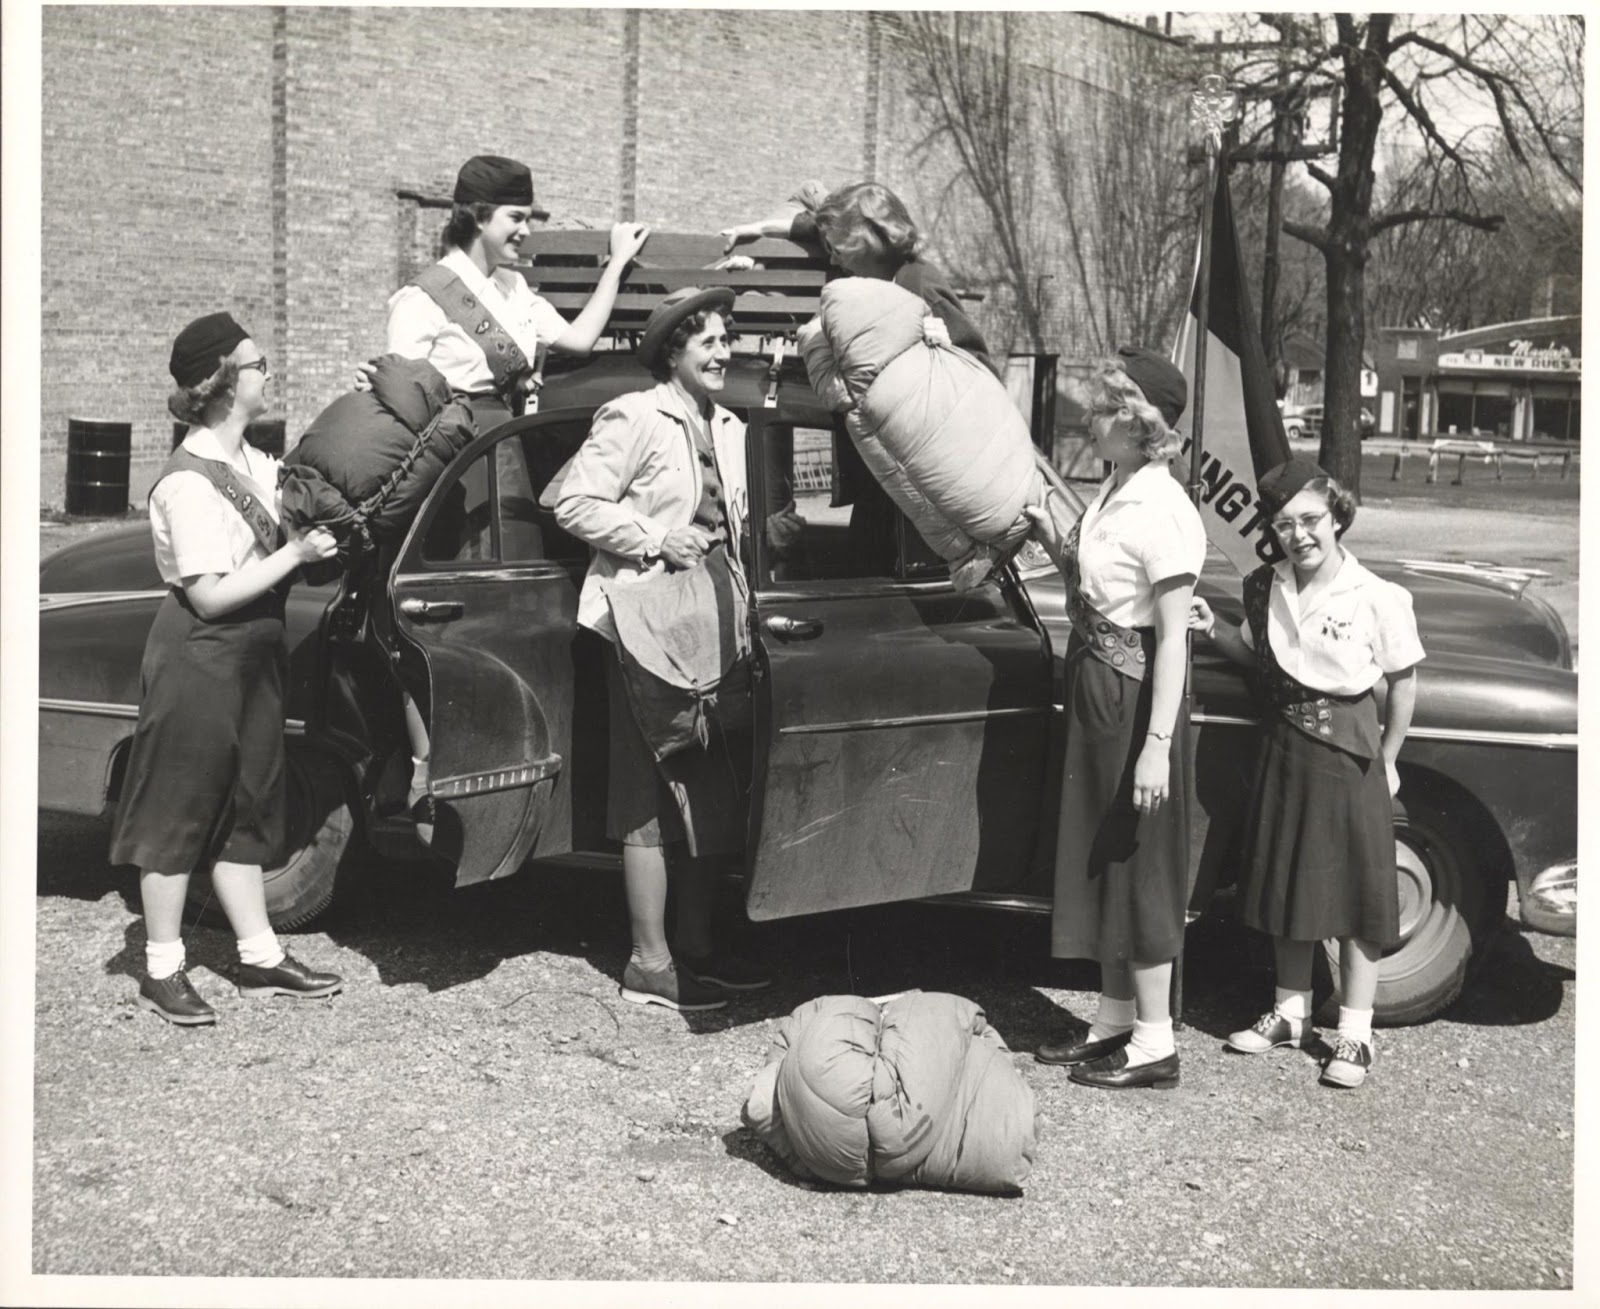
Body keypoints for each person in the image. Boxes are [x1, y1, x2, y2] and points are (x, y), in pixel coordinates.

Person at [374, 154, 650, 831]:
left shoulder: (518, 292)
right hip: (454, 468)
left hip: (509, 463)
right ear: (476, 218)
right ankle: (429, 767)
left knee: (518, 611)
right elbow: (400, 401)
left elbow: (581, 338)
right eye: (516, 217)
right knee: (444, 615)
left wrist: (616, 263)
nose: (527, 229)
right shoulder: (421, 299)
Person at [109, 313, 344, 1026]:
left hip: (253, 650)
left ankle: (259, 955)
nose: (267, 372)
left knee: (249, 802)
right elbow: (209, 594)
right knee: (180, 806)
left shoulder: (252, 462)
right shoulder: (187, 481)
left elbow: (295, 499)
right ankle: (161, 967)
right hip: (201, 651)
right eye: (257, 363)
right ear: (220, 382)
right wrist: (295, 557)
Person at [555, 287, 770, 1012]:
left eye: (726, 338)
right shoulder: (636, 415)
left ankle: (697, 949)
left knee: (709, 779)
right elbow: (573, 502)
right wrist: (654, 537)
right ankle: (650, 961)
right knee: (647, 793)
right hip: (644, 620)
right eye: (706, 341)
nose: (722, 352)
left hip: (714, 619)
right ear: (672, 352)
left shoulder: (732, 426)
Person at [1190, 456, 1424, 1089]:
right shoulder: (1264, 586)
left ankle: (1354, 1034)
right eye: (1286, 524)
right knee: (1285, 883)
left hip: (1349, 758)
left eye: (1311, 520)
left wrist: (1390, 758)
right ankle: (1290, 1011)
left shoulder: (1379, 596)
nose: (1300, 535)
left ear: (1337, 515)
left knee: (1356, 897)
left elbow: (1401, 685)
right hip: (1282, 749)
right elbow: (1259, 654)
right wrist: (1215, 632)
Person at [1025, 349, 1205, 1090]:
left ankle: (1156, 1041)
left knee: (1140, 864)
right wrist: (1047, 535)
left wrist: (1156, 748)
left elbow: (1172, 643)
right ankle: (1113, 1019)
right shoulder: (1116, 489)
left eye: (1105, 409)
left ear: (1140, 424)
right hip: (1100, 685)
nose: (1091, 418)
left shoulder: (1165, 508)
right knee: (1105, 856)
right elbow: (1100, 587)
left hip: (1137, 701)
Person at [722, 181, 994, 573]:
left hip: (913, 480)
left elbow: (980, 370)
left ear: (865, 241)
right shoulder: (870, 276)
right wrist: (758, 231)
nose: (831, 255)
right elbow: (813, 228)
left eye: (837, 246)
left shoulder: (917, 283)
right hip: (881, 479)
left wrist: (945, 348)